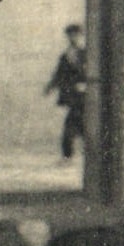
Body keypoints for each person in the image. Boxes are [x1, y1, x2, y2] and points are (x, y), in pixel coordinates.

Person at [45, 23, 86, 160]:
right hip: (73, 96)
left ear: (81, 35)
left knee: (74, 126)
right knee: (76, 126)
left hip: (84, 96)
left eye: (76, 35)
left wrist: (85, 84)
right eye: (70, 35)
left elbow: (89, 72)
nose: (73, 38)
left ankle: (68, 155)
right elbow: (59, 74)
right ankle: (68, 155)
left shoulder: (86, 54)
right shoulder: (66, 55)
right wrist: (50, 87)